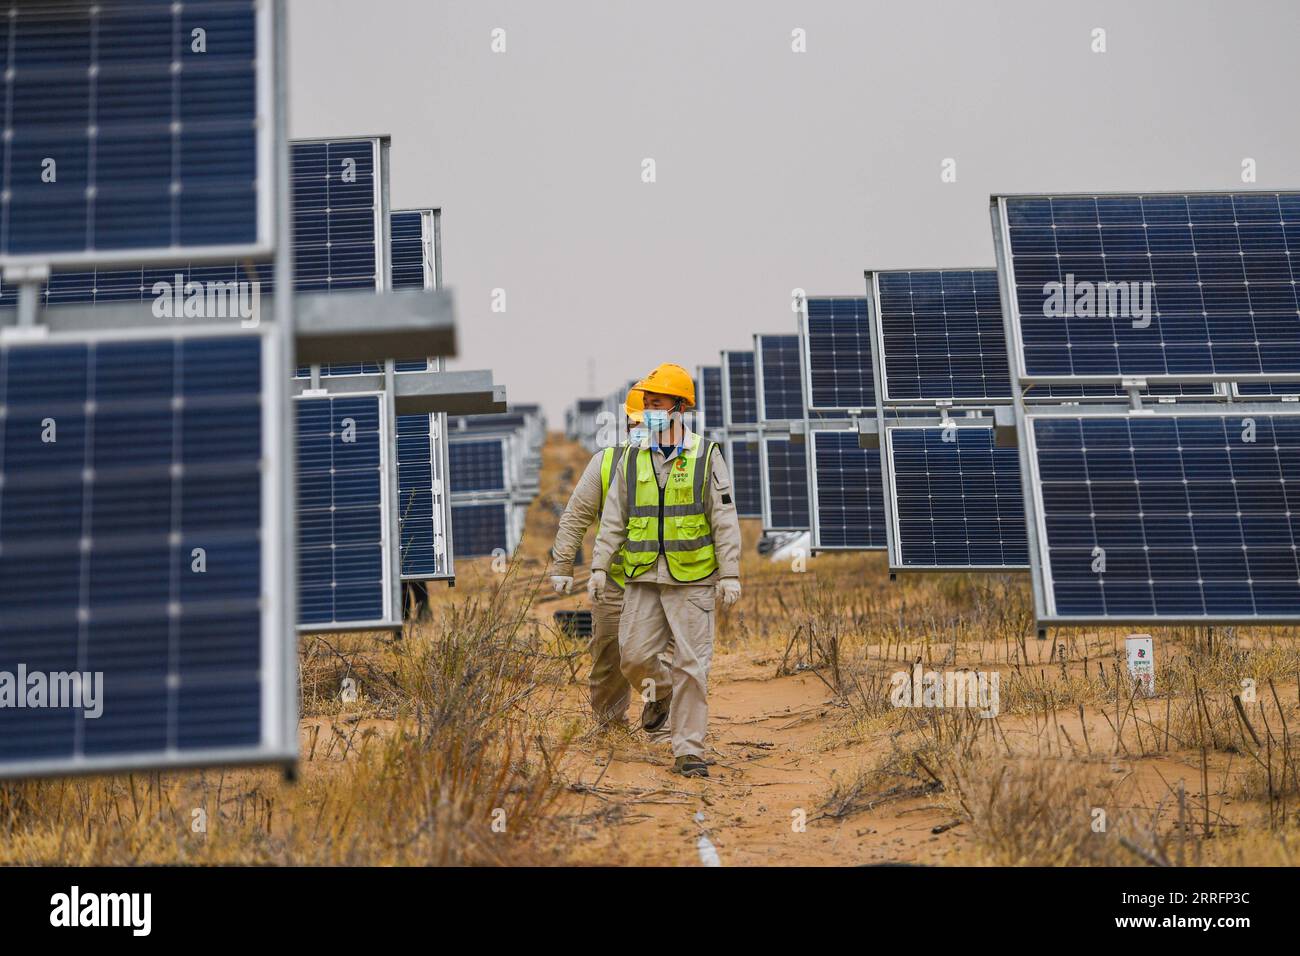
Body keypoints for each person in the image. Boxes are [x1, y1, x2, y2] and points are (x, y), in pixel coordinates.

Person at [589, 363, 742, 778]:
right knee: (634, 657)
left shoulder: (706, 455)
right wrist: (600, 565)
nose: (649, 410)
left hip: (692, 577)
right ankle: (662, 694)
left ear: (678, 406)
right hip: (641, 577)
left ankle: (688, 750)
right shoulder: (632, 458)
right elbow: (614, 519)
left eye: (656, 403)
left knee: (693, 664)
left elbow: (724, 519)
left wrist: (730, 572)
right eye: (647, 404)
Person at [549, 391, 648, 731]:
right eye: (635, 422)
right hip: (615, 579)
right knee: (609, 653)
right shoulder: (606, 462)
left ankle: (667, 723)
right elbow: (576, 515)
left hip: (665, 578)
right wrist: (562, 565)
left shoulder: (682, 462)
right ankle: (610, 726)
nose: (641, 427)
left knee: (661, 655)